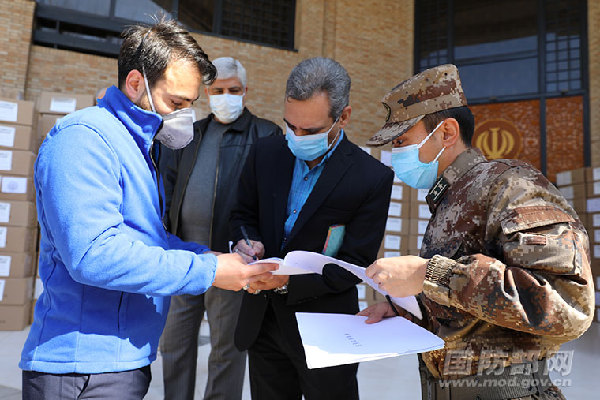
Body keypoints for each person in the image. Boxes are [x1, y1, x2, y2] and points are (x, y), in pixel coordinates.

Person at [19, 19, 275, 399]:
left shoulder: (140, 149)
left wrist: (211, 257)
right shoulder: (83, 140)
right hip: (82, 366)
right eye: (176, 103)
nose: (183, 116)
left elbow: (148, 240)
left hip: (124, 360)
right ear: (136, 83)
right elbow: (93, 255)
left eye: (190, 105)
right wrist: (207, 270)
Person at [360, 64, 594, 400]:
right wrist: (410, 310)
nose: (396, 154)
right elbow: (473, 315)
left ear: (447, 132)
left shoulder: (512, 185)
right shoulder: (450, 197)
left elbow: (568, 305)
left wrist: (431, 275)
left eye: (401, 141)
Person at [231, 57, 394, 399]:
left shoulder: (370, 177)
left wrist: (288, 281)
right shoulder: (266, 152)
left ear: (343, 117)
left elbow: (355, 262)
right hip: (263, 323)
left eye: (311, 131)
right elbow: (241, 214)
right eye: (291, 126)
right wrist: (245, 243)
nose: (297, 137)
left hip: (327, 327)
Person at [159, 57, 282, 400]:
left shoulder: (266, 134)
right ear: (206, 93)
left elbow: (272, 200)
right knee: (174, 345)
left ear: (246, 91)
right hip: (185, 257)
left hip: (231, 260)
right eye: (217, 91)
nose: (225, 97)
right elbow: (168, 188)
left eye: (233, 90)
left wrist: (255, 242)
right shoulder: (189, 134)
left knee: (227, 350)